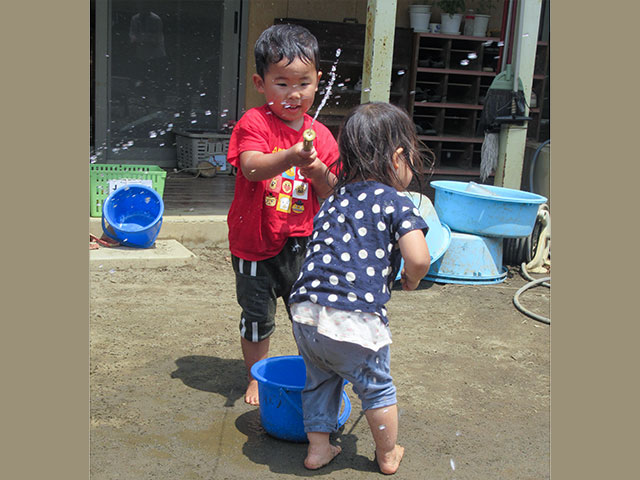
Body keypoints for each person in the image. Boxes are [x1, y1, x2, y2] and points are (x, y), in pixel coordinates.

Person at [288, 102, 433, 474]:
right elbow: (418, 258)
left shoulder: (335, 197)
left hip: (305, 311)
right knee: (376, 387)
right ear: (398, 157)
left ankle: (318, 449)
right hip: (352, 318)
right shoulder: (395, 201)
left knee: (320, 380)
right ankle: (387, 454)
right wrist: (413, 278)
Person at [225, 24, 339, 406]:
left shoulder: (322, 136)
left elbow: (331, 190)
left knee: (307, 314)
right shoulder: (254, 123)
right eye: (282, 83)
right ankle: (256, 376)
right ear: (260, 83)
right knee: (257, 316)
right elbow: (251, 167)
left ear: (318, 81)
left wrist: (317, 170)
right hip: (254, 243)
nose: (294, 94)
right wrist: (291, 156)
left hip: (302, 243)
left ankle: (311, 373)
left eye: (303, 83)